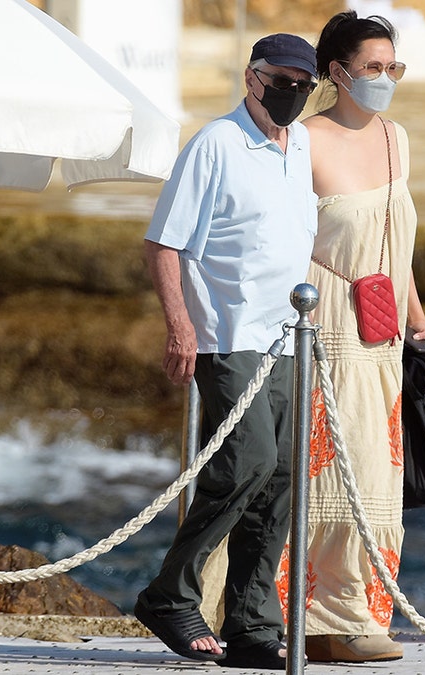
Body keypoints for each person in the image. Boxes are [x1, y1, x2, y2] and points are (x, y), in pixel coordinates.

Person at [135, 33, 320, 671]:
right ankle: (171, 595)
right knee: (246, 464)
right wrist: (180, 328)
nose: (294, 92)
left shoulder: (300, 150)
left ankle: (250, 624)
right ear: (252, 77)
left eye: (306, 83)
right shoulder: (215, 144)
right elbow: (165, 244)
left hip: (287, 342)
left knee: (282, 476)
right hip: (229, 337)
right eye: (283, 79)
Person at [274, 11, 425, 663]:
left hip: (383, 326)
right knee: (331, 474)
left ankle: (360, 610)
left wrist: (419, 322)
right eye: (373, 67)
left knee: (376, 477)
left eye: (394, 67)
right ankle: (316, 616)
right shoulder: (299, 141)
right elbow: (276, 242)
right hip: (322, 322)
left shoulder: (398, 138)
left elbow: (399, 243)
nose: (386, 78)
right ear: (336, 73)